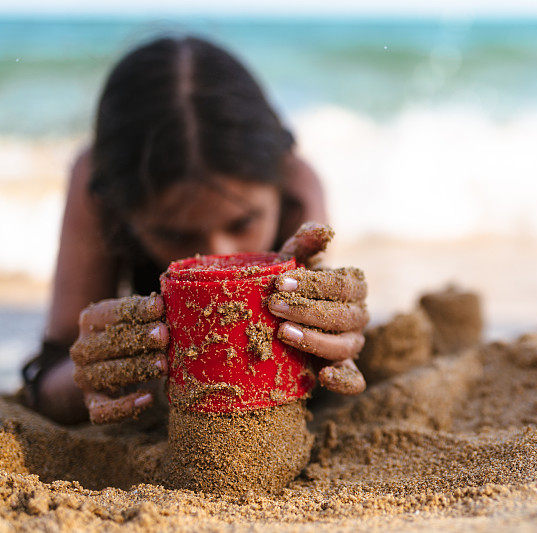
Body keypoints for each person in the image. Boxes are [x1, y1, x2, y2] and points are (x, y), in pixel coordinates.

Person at [21, 35, 368, 425]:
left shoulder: (298, 184)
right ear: (122, 211)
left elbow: (327, 342)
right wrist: (87, 376)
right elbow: (53, 368)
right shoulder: (96, 184)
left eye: (243, 223)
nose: (215, 255)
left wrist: (330, 335)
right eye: (175, 235)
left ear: (280, 180)